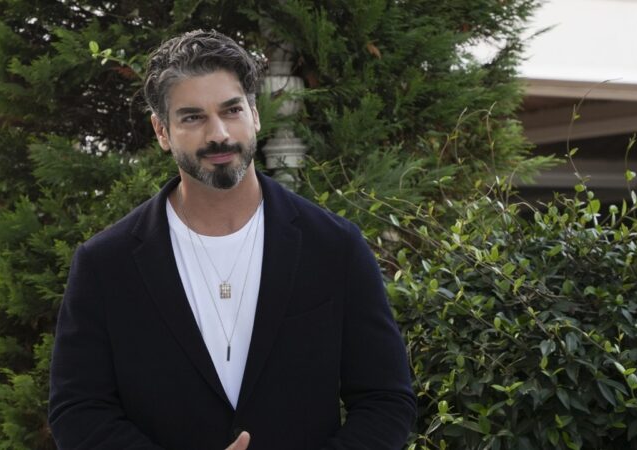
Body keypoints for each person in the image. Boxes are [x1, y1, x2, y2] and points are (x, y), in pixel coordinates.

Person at [48, 29, 416, 450]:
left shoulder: (334, 246)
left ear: (254, 115)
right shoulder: (105, 264)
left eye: (232, 110)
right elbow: (78, 410)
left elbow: (386, 400)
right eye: (192, 117)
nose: (219, 134)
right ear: (162, 131)